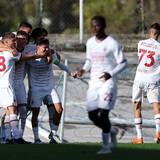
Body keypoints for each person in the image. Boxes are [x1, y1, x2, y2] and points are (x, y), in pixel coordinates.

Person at [73, 16, 127, 154]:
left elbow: (123, 62)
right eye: (92, 26)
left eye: (97, 26)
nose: (94, 28)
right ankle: (112, 130)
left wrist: (111, 73)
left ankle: (106, 146)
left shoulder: (112, 43)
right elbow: (89, 61)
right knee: (92, 115)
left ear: (103, 26)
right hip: (94, 83)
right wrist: (83, 70)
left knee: (103, 114)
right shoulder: (90, 42)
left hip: (107, 83)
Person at [0, 32, 48, 144]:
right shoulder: (12, 53)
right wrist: (38, 55)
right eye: (13, 40)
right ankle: (17, 136)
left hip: (1, 85)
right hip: (7, 86)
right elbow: (24, 57)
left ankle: (7, 137)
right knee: (12, 110)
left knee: (7, 111)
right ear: (6, 42)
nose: (15, 42)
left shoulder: (4, 52)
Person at [27, 38, 71, 144]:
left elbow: (59, 64)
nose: (47, 49)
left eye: (48, 47)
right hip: (36, 89)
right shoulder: (31, 57)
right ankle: (36, 138)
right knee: (35, 114)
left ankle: (53, 134)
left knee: (59, 109)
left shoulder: (51, 56)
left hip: (49, 88)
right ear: (37, 47)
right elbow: (20, 61)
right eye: (44, 47)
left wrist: (70, 72)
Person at [132, 23, 160, 144]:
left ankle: (139, 137)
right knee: (156, 106)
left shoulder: (141, 43)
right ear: (159, 34)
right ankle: (158, 133)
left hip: (139, 78)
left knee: (137, 106)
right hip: (152, 79)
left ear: (150, 32)